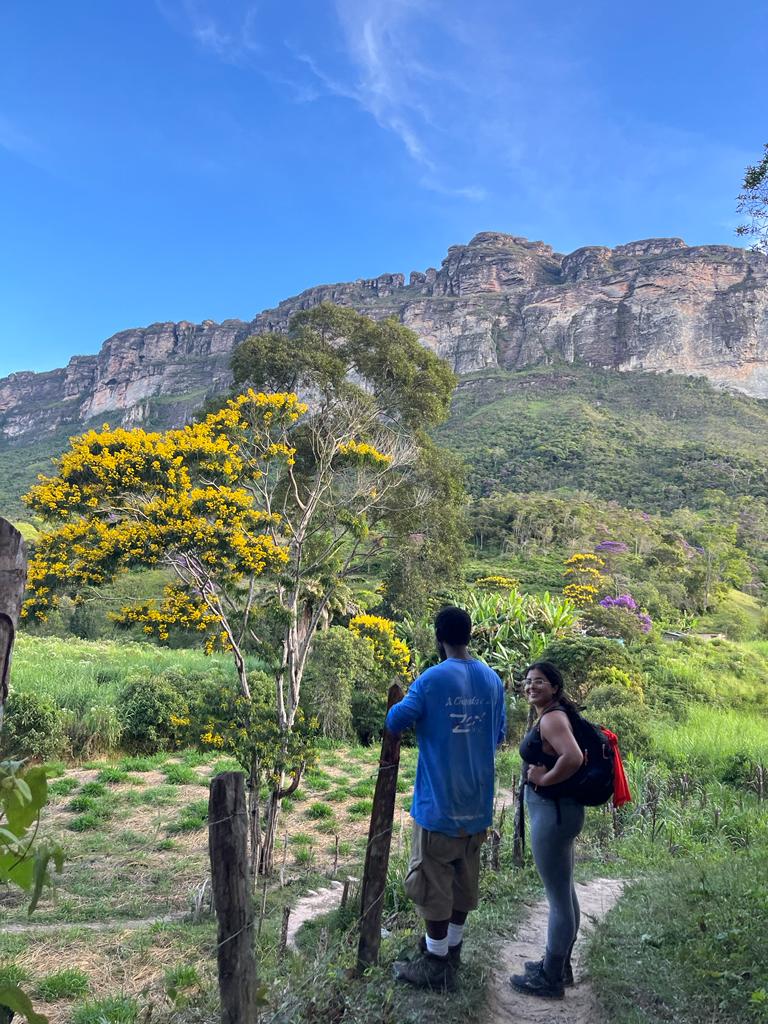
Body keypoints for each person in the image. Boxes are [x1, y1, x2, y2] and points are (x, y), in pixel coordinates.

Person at [386, 605, 506, 992]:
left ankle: (436, 962)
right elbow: (498, 733)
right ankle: (452, 952)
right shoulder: (492, 680)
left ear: (439, 638)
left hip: (440, 803)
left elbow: (395, 720)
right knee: (463, 883)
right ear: (469, 635)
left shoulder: (431, 679)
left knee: (432, 883)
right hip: (478, 804)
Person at [511, 660, 586, 1000]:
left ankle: (551, 977)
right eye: (528, 681)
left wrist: (543, 779)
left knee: (557, 898)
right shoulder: (555, 714)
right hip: (561, 813)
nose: (531, 686)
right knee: (564, 891)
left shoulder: (553, 718)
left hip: (553, 815)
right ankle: (561, 966)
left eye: (539, 681)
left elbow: (573, 757)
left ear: (555, 687)